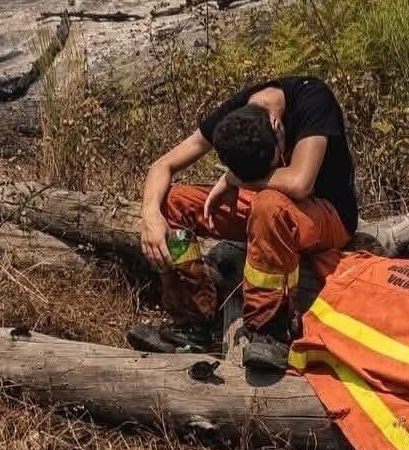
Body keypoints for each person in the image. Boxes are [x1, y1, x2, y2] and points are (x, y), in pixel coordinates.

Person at [138, 76, 357, 371]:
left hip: (328, 215)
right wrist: (151, 215)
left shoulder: (313, 100)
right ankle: (194, 320)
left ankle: (270, 331)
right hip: (268, 209)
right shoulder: (237, 113)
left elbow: (299, 183)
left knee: (269, 204)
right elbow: (163, 165)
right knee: (175, 202)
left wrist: (235, 180)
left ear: (277, 127)